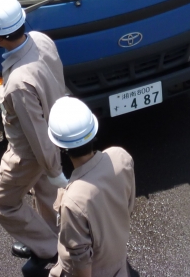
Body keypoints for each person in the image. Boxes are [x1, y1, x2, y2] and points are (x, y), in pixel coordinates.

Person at [0, 0, 67, 277]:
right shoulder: (41, 39)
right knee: (46, 195)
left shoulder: (18, 83)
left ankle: (48, 249)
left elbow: (35, 133)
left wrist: (53, 168)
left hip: (28, 153)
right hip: (54, 136)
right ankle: (62, 240)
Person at [46, 97, 136, 277]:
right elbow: (129, 206)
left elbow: (81, 260)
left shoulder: (73, 200)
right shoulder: (121, 157)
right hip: (117, 264)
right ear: (93, 131)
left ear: (60, 146)